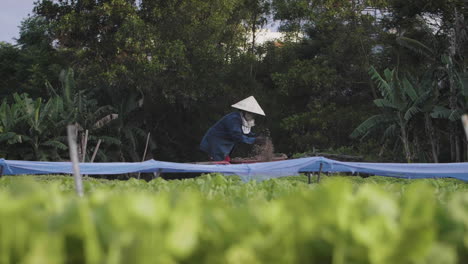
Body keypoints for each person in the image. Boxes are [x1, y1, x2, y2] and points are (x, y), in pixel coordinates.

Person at [200, 96, 266, 161]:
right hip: (215, 144)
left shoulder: (241, 119)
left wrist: (256, 136)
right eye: (252, 114)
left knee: (225, 164)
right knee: (218, 167)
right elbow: (237, 136)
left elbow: (245, 132)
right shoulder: (233, 119)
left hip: (222, 147)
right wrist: (254, 140)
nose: (253, 116)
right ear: (244, 112)